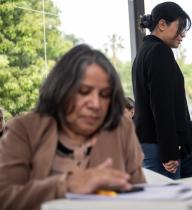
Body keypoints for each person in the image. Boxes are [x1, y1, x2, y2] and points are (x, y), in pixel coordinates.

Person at [0, 44, 145, 210]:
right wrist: (67, 184)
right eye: (84, 91)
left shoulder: (121, 128)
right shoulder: (24, 129)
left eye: (104, 95)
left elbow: (140, 193)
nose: (95, 104)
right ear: (61, 89)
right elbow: (4, 197)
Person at [132, 1, 192, 179]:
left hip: (149, 144)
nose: (182, 34)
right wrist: (170, 152)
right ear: (162, 24)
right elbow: (162, 105)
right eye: (179, 27)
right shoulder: (160, 51)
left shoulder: (144, 51)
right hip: (160, 149)